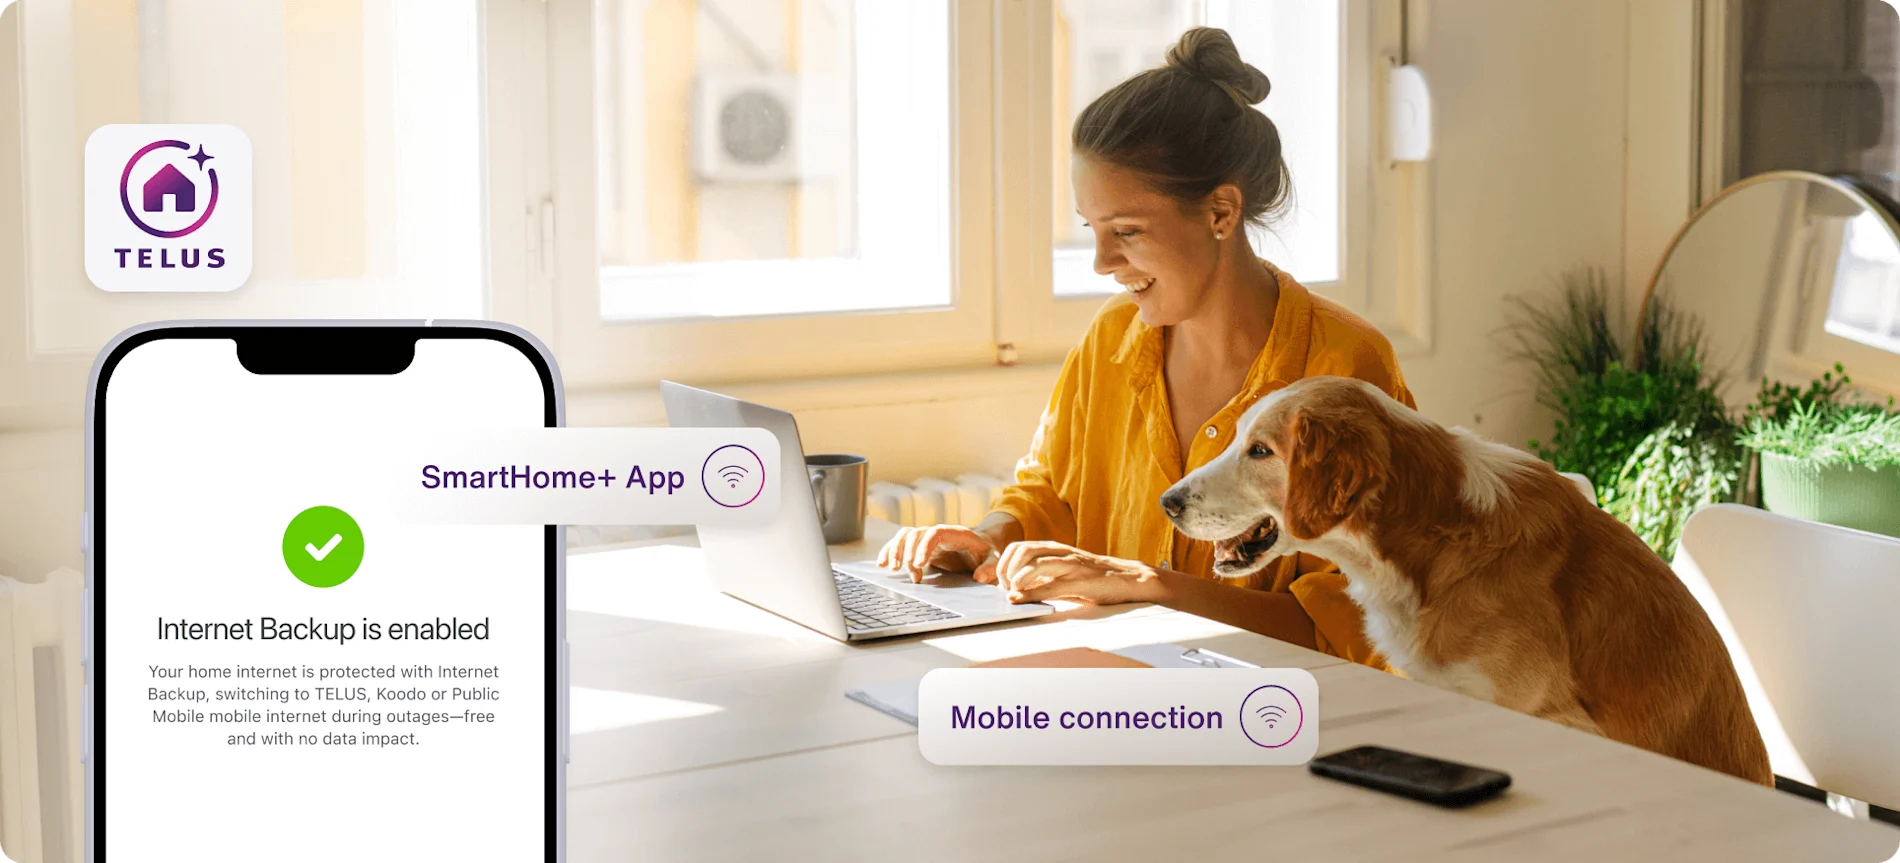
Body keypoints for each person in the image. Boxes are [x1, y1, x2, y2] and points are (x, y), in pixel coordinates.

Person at [876, 27, 1414, 668]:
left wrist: (1154, 591)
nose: (1102, 262)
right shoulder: (1111, 340)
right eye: (1092, 231)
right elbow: (1052, 493)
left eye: (1125, 231)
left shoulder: (1346, 366)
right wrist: (987, 539)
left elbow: (1356, 627)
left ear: (1220, 212)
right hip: (1114, 689)